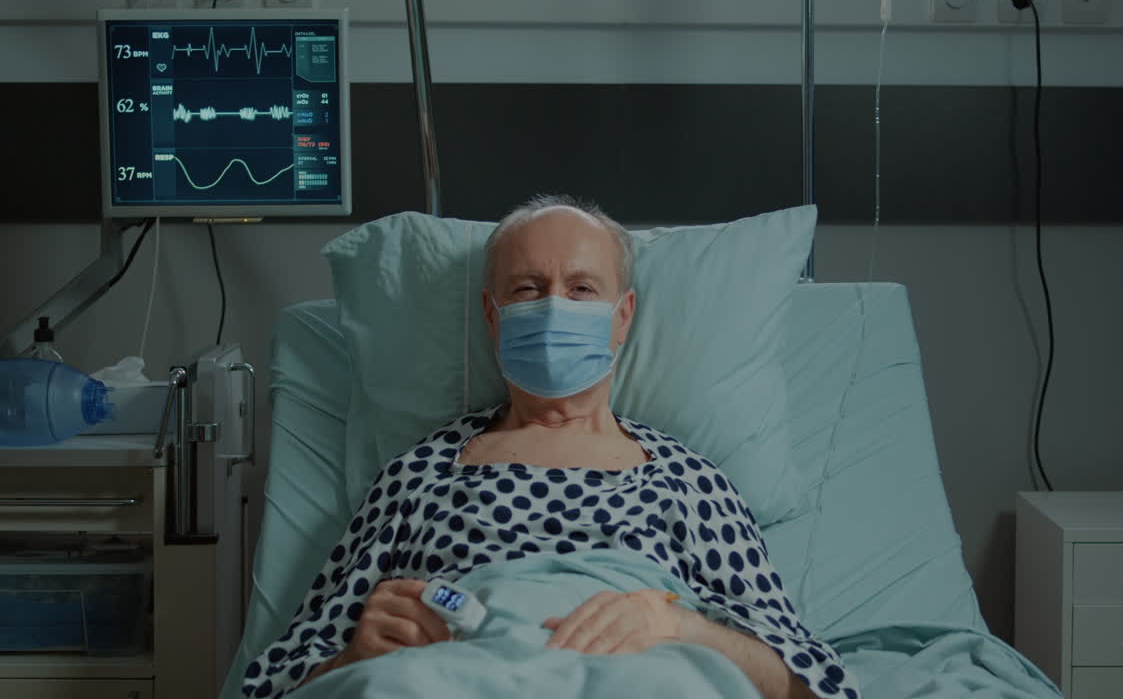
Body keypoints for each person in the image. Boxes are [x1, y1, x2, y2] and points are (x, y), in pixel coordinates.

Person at [242, 196, 857, 699]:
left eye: (583, 288)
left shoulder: (689, 480)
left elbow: (813, 684)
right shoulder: (421, 472)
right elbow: (275, 680)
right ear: (491, 314)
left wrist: (680, 626)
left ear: (623, 317)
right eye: (529, 289)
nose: (556, 306)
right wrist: (353, 654)